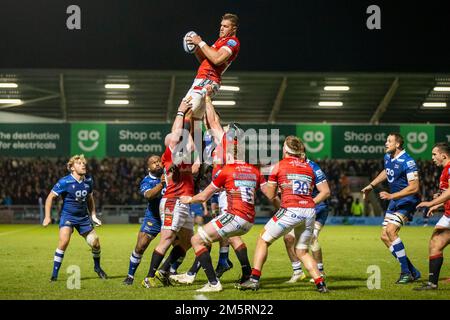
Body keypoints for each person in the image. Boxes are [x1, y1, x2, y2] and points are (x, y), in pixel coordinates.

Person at [179, 124, 278, 292]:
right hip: (249, 221)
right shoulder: (255, 170)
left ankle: (213, 283)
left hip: (235, 216)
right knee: (214, 237)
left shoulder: (226, 170)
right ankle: (226, 266)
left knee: (196, 240)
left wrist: (188, 199)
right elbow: (270, 194)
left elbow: (204, 196)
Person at [237, 136, 329, 293]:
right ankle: (320, 284)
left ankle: (254, 280)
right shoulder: (308, 166)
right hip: (309, 212)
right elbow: (322, 190)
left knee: (263, 240)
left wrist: (267, 185)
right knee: (302, 251)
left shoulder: (279, 166)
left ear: (285, 150)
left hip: (290, 210)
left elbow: (271, 195)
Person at [142, 101, 198, 288]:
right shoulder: (170, 154)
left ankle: (164, 270)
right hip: (173, 202)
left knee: (188, 241)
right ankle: (149, 277)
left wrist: (191, 119)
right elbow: (181, 137)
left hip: (184, 202)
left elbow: (191, 149)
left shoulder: (185, 153)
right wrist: (182, 112)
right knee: (166, 240)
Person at [361, 133, 421, 284]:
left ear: (398, 145)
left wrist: (391, 196)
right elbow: (386, 172)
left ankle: (406, 273)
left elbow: (414, 187)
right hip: (395, 200)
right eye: (386, 141)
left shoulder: (408, 162)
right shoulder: (388, 157)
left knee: (391, 231)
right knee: (384, 236)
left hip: (407, 200)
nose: (386, 143)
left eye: (389, 141)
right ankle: (412, 271)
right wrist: (371, 185)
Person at [43, 154, 107, 281]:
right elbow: (50, 197)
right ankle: (54, 276)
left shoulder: (88, 180)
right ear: (72, 167)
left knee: (96, 244)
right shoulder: (64, 182)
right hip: (68, 216)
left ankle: (97, 268)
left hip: (83, 218)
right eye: (79, 163)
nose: (83, 165)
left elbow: (90, 198)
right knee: (64, 242)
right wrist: (47, 216)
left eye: (84, 163)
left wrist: (93, 215)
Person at [182, 13, 240, 120]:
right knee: (195, 120)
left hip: (207, 80)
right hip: (204, 79)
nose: (222, 28)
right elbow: (205, 61)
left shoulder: (232, 42)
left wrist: (200, 42)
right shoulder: (220, 41)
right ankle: (197, 138)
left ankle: (183, 137)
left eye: (226, 26)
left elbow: (217, 60)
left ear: (234, 29)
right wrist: (196, 49)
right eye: (221, 25)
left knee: (185, 112)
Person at [283, 158, 331, 283]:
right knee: (288, 238)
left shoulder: (313, 166)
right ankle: (297, 271)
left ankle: (320, 271)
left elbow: (326, 192)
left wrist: (309, 203)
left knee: (312, 238)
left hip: (318, 207)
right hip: (300, 208)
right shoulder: (289, 165)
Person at [123, 155, 166, 285]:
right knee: (140, 246)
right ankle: (130, 276)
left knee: (179, 244)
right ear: (149, 167)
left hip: (170, 217)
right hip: (153, 218)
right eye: (154, 163)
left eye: (159, 161)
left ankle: (168, 272)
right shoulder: (147, 181)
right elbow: (148, 195)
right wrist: (161, 184)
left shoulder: (169, 175)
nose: (158, 164)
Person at [414, 142, 450, 290]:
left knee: (436, 242)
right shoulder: (444, 170)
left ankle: (432, 283)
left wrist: (431, 203)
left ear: (444, 155)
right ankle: (432, 283)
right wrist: (438, 205)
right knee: (435, 243)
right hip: (448, 214)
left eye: (434, 154)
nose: (432, 157)